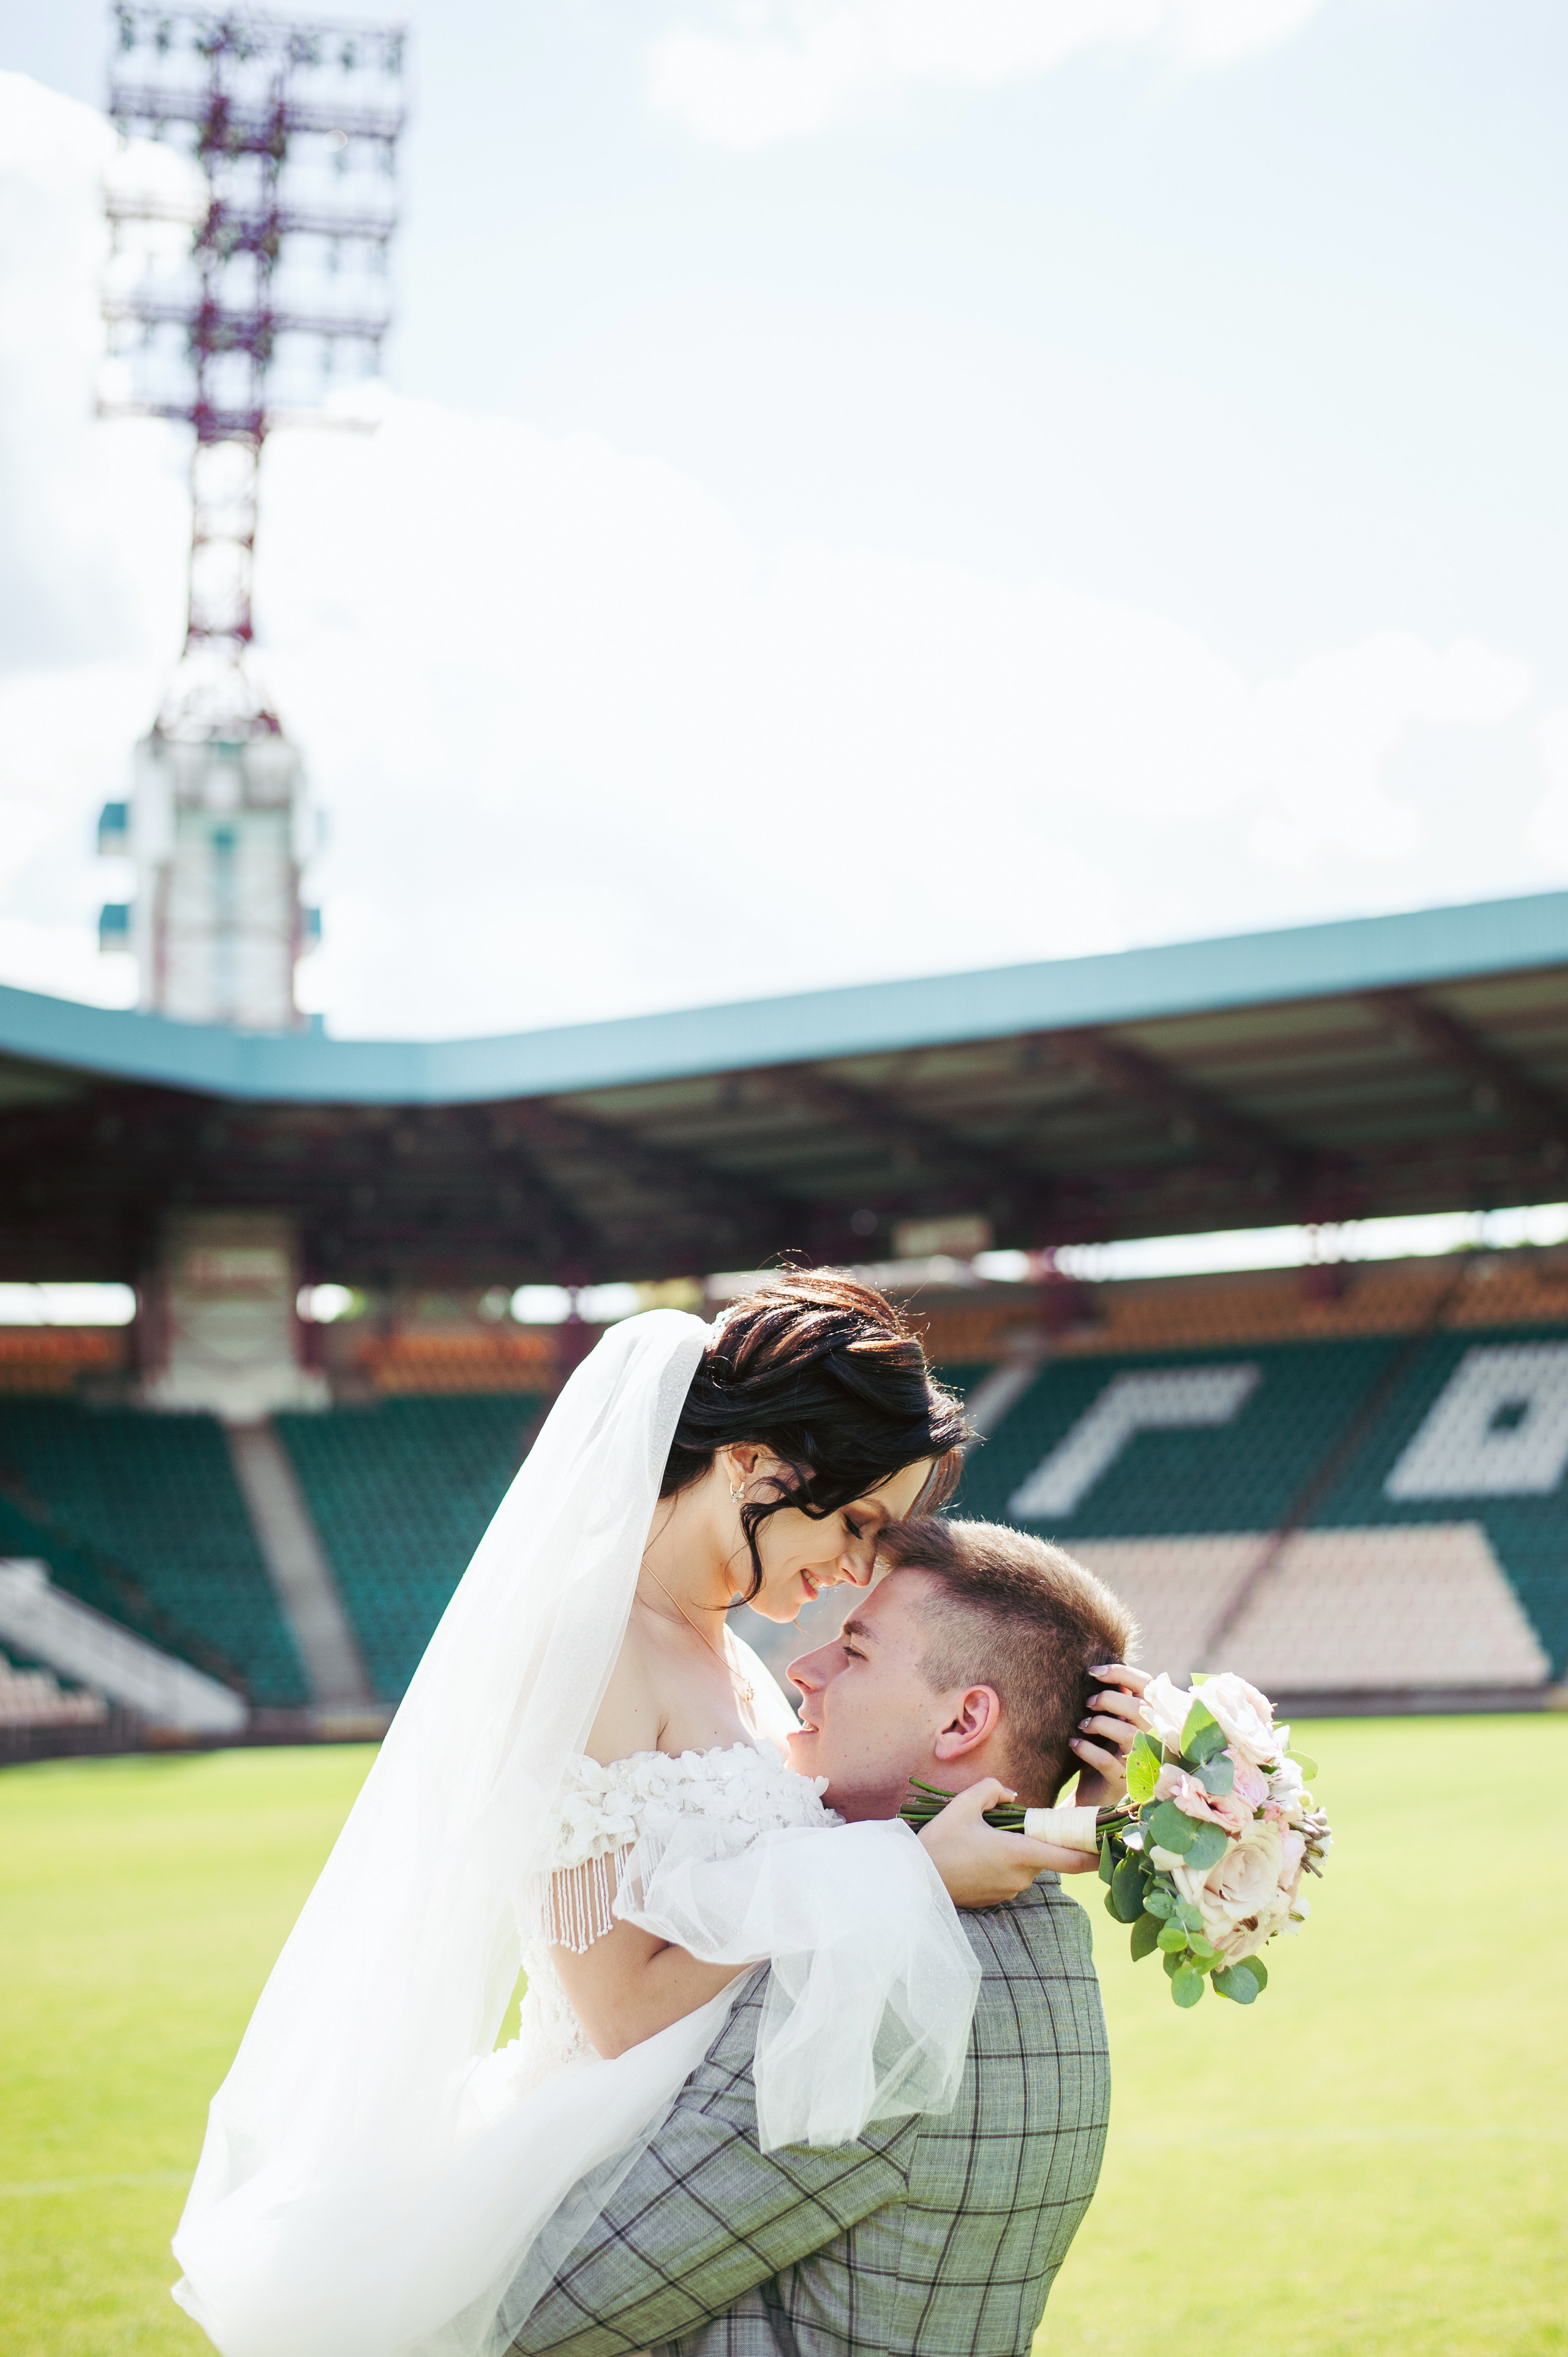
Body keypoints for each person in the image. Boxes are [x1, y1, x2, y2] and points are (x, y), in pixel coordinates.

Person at [170, 1275, 1135, 2357]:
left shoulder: (732, 1658)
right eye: (858, 1521)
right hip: (610, 2162)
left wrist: (1070, 1803)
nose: (861, 1567)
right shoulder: (586, 1654)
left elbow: (834, 1848)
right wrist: (908, 1876)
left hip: (724, 2139)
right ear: (753, 1467)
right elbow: (621, 2007)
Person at [508, 1516, 1144, 2357]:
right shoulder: (1047, 1936)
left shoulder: (883, 1981)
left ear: (964, 1722)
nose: (802, 1670)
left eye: (854, 1650)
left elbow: (547, 2307)